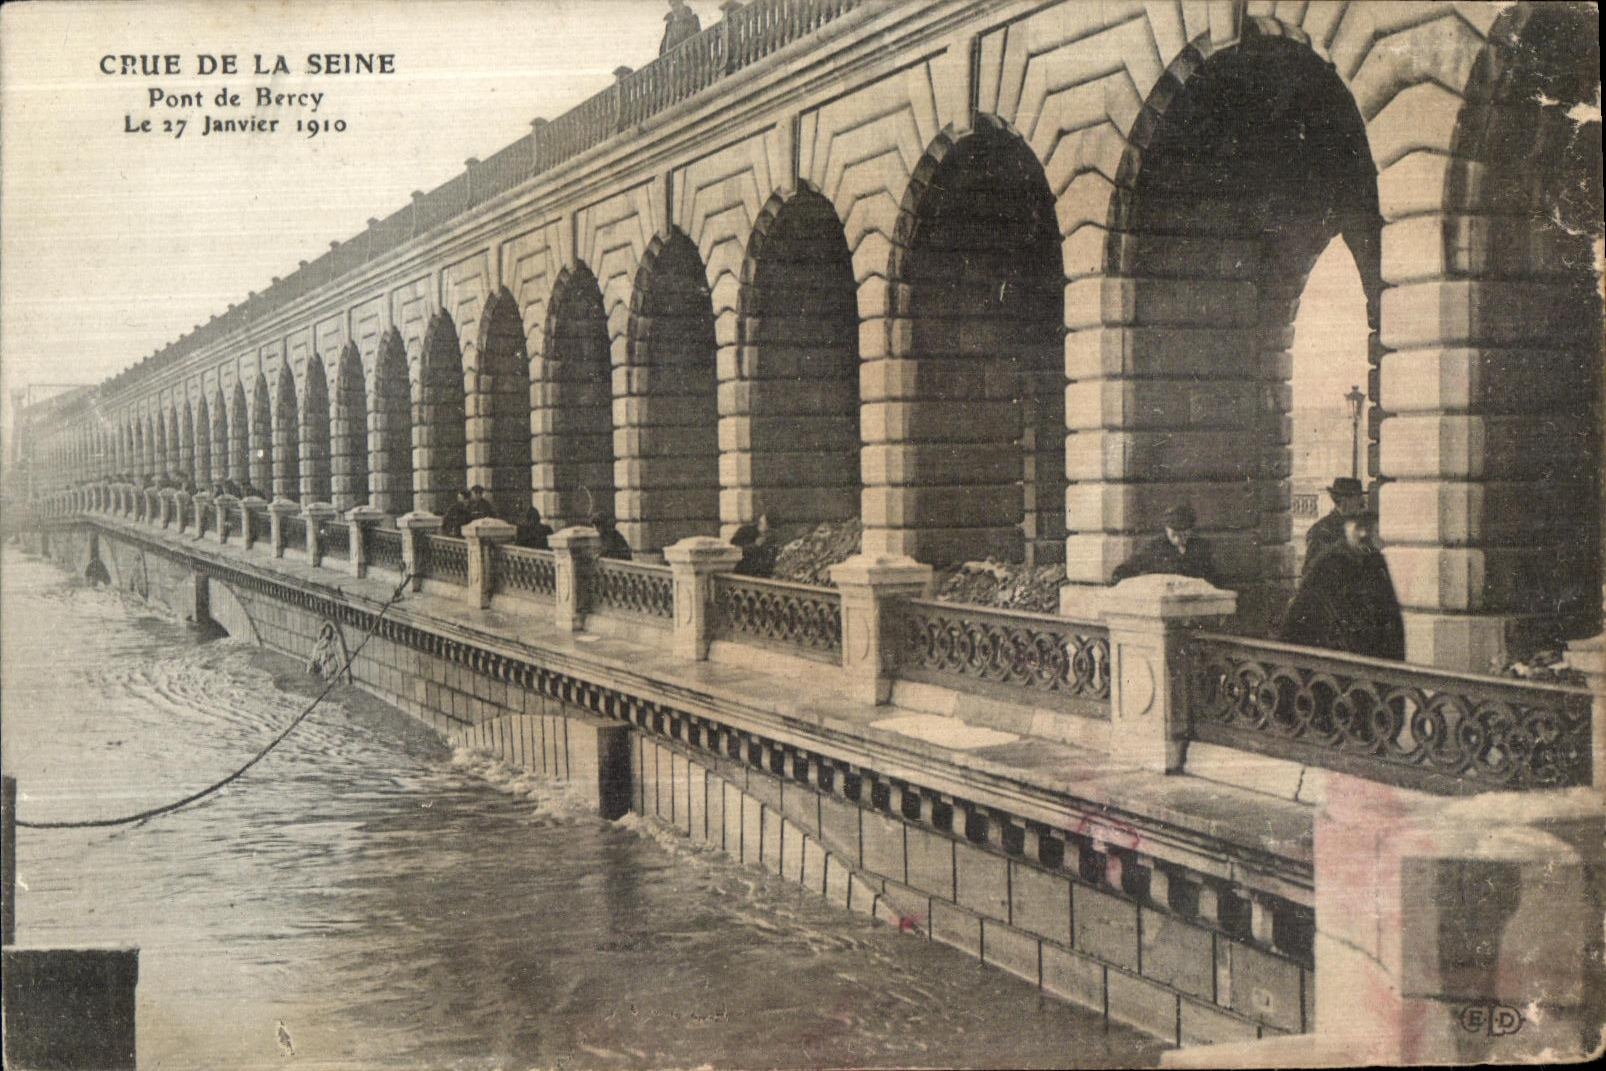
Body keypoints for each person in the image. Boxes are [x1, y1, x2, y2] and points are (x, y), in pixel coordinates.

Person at [1280, 511, 1404, 660]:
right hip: (1330, 664)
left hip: (1371, 664)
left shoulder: (1377, 564)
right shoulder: (1328, 563)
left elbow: (1391, 616)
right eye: (1358, 527)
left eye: (1370, 529)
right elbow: (1300, 616)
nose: (1364, 534)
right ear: (1346, 528)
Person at [1110, 504, 1222, 587]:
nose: (1178, 539)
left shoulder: (1201, 547)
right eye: (1174, 534)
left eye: (1184, 534)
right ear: (1166, 529)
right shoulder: (1153, 547)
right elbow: (1124, 571)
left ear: (1191, 530)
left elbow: (1211, 577)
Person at [1303, 477, 1367, 580]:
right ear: (1344, 501)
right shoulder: (1322, 530)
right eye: (1358, 497)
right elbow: (1311, 572)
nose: (1362, 502)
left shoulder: (1361, 526)